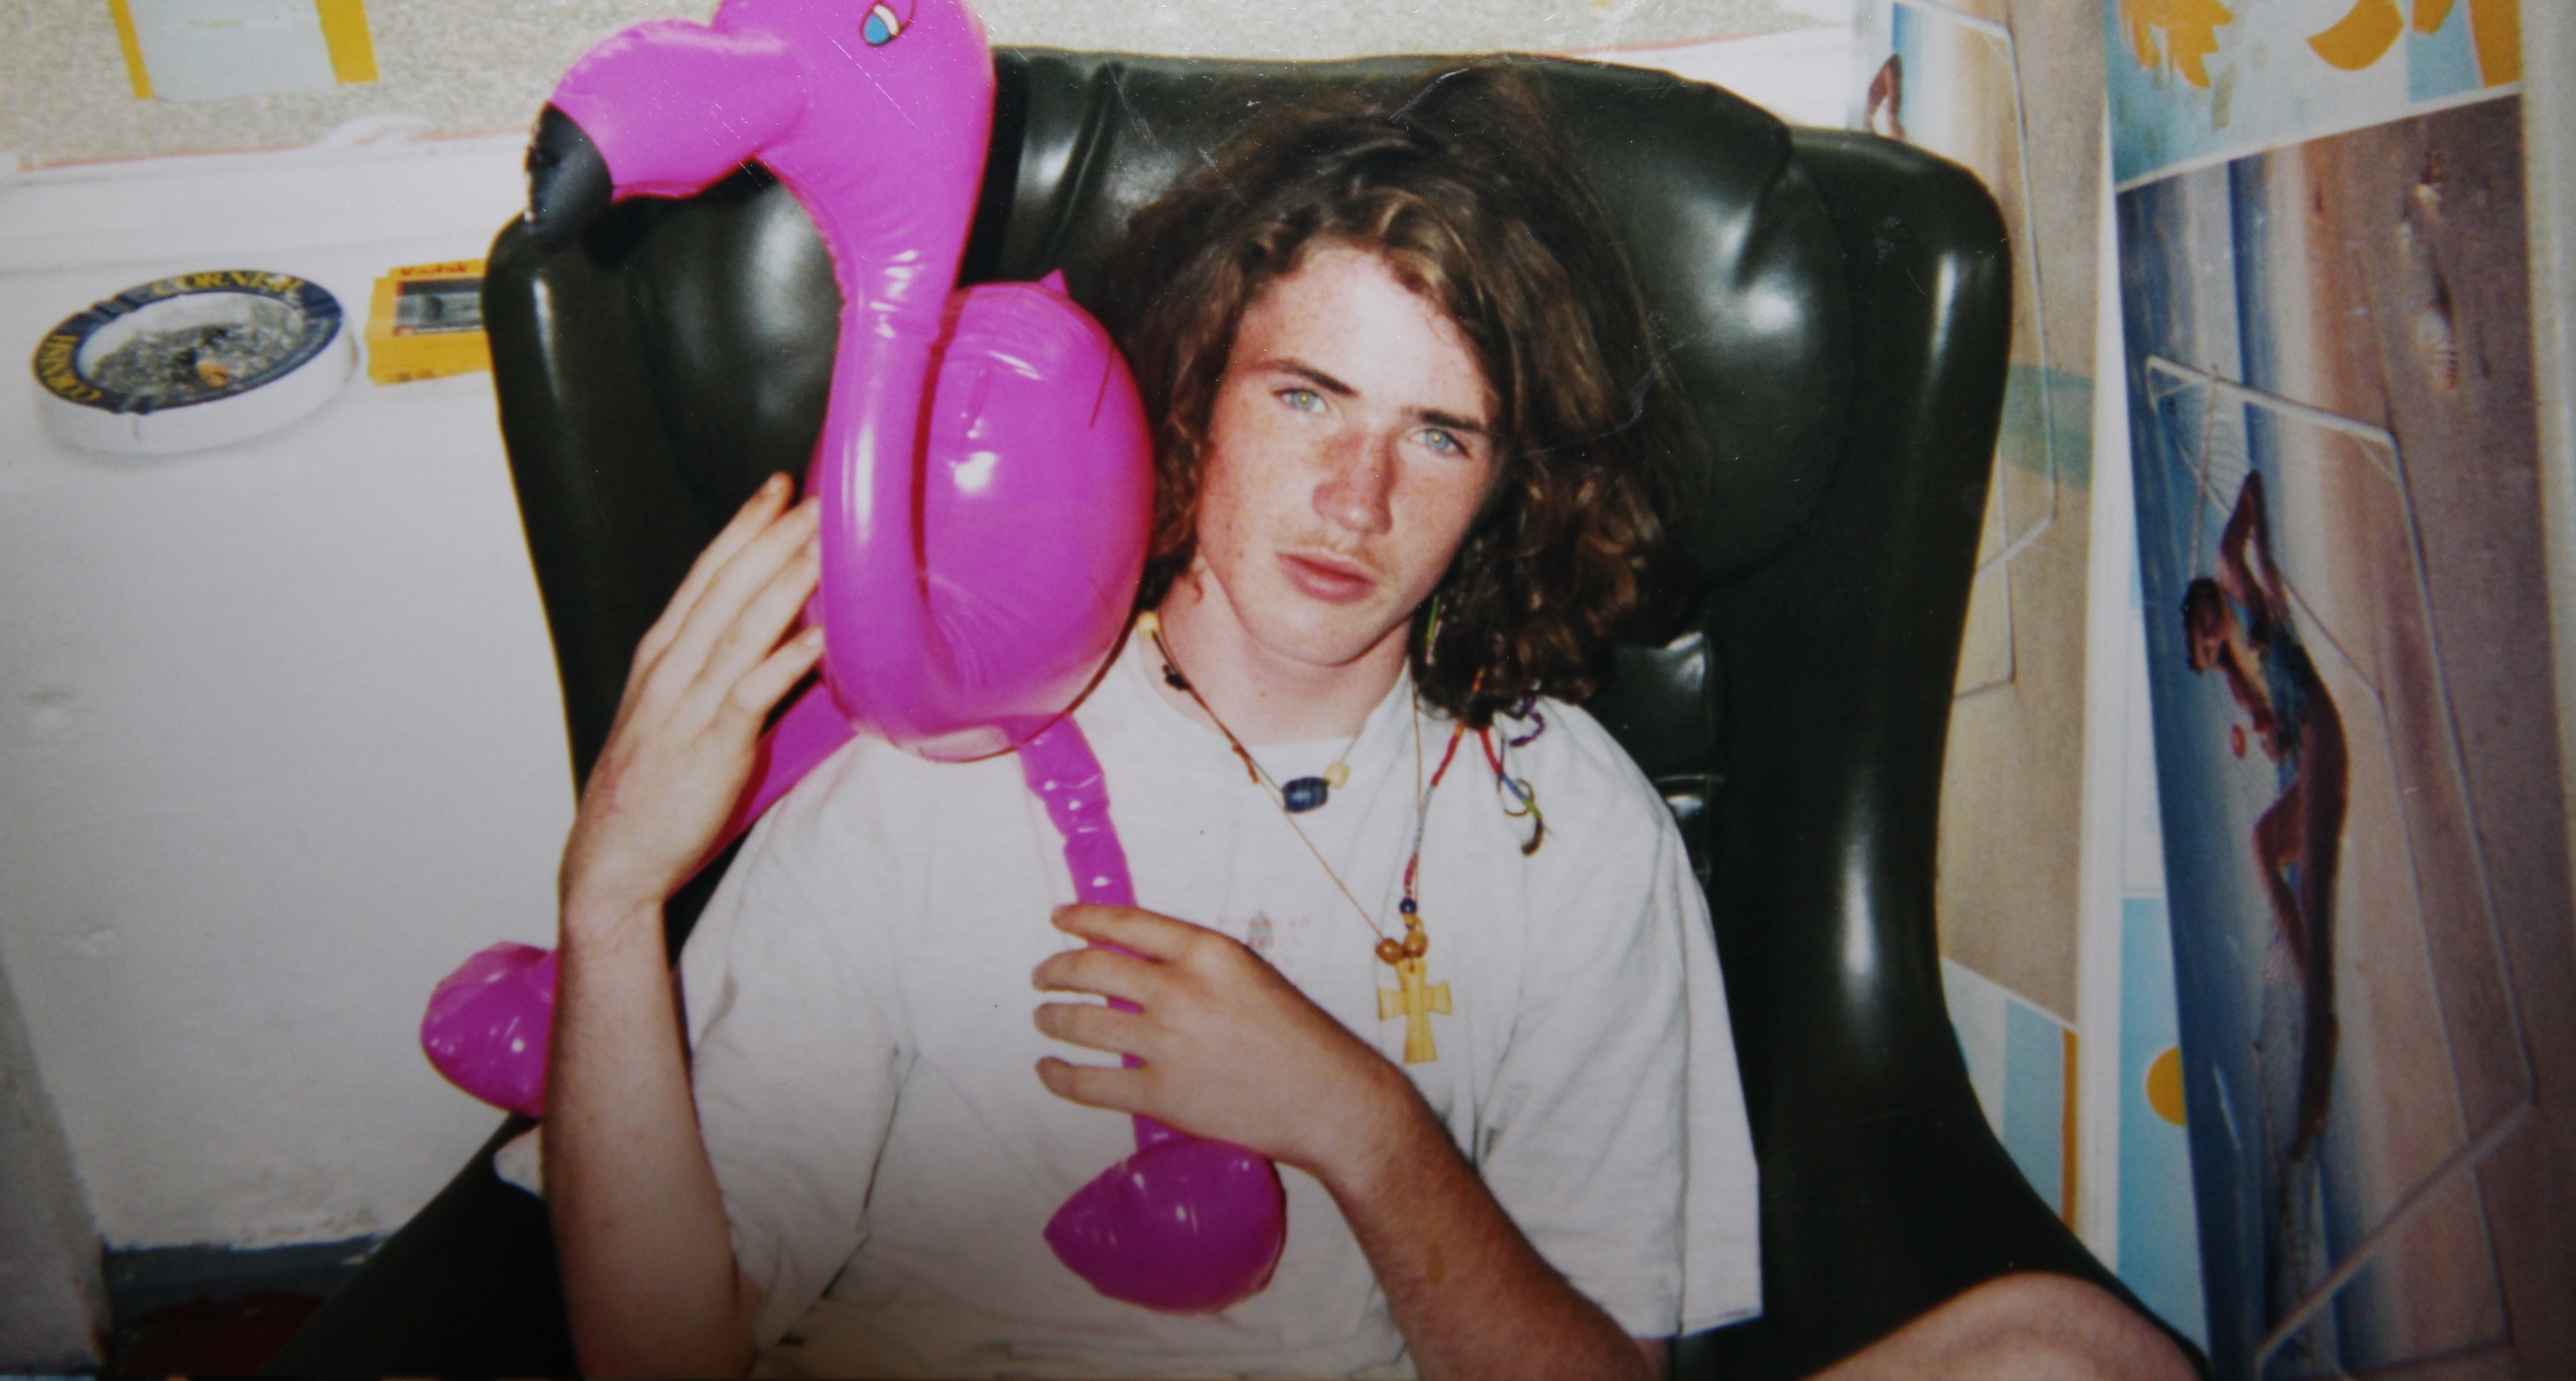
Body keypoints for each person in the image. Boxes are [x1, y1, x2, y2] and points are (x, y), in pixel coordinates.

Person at [540, 67, 2194, 1381]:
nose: (1357, 496)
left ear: (1504, 486)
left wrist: (1357, 1122)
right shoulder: (944, 758)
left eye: (1440, 434)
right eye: (1306, 396)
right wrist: (611, 898)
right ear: (1196, 398)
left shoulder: (1572, 826)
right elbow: (661, 1350)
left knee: (2072, 1350)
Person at [2181, 470, 2346, 1159]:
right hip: (2305, 745)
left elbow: (2250, 486)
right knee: (2262, 848)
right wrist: (2268, 731)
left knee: (2316, 894)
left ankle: (2316, 1058)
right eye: (2209, 651)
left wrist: (2267, 558)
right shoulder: (2240, 675)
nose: (2214, 645)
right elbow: (2274, 725)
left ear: (2206, 606)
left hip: (2323, 736)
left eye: (2207, 638)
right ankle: (2314, 1006)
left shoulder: (2233, 583)